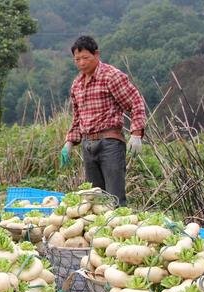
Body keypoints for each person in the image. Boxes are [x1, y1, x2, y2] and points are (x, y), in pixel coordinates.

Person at [60, 36, 146, 206]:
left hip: (110, 142)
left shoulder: (111, 76)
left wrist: (136, 134)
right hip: (87, 144)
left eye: (86, 58)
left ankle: (120, 229)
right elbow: (77, 117)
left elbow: (135, 102)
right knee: (95, 199)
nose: (82, 63)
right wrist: (69, 142)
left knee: (114, 197)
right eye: (77, 59)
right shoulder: (77, 84)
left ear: (97, 54)